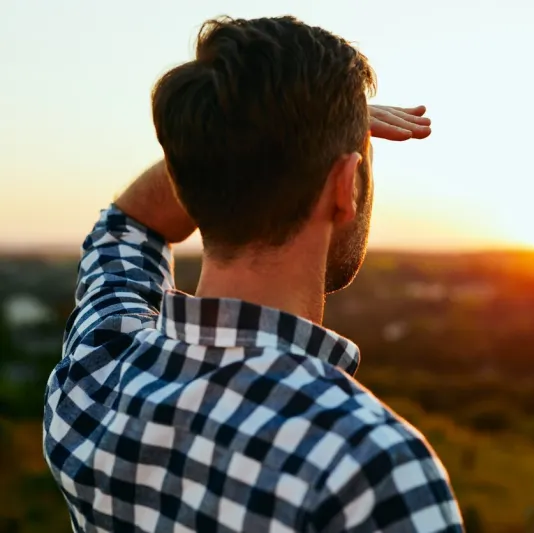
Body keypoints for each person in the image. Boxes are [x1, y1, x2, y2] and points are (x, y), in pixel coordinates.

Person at [43, 15, 464, 533]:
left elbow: (128, 220)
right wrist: (305, 139)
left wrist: (280, 143)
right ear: (344, 185)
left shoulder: (94, 371)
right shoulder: (368, 467)